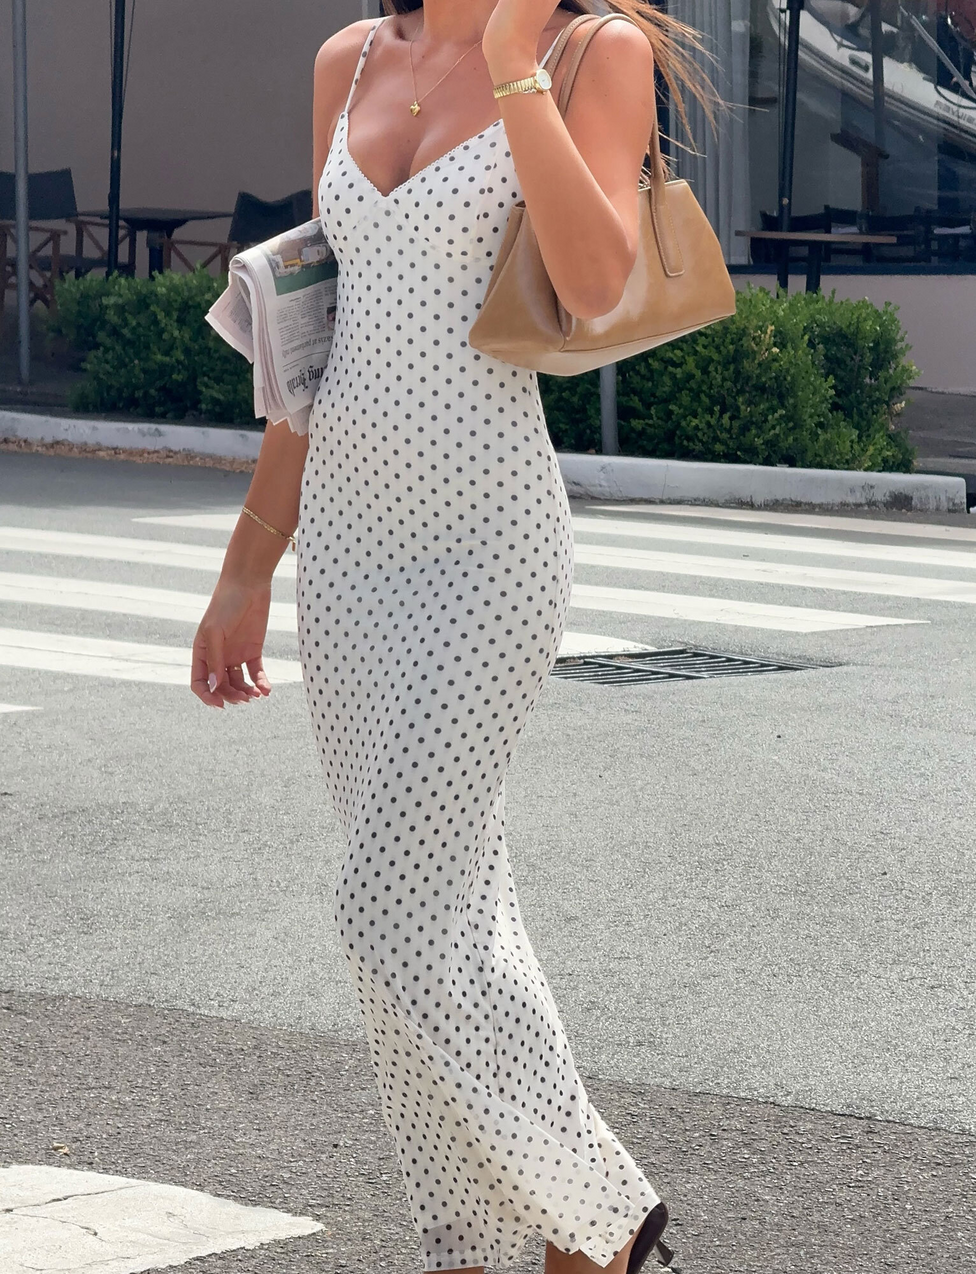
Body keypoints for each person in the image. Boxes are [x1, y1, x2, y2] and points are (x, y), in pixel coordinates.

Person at [191, 1, 713, 1269]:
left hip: (490, 544)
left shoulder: (596, 53)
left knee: (387, 902)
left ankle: (600, 1220)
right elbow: (307, 332)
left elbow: (592, 296)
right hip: (350, 555)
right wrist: (250, 557)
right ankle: (465, 1242)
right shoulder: (349, 57)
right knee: (447, 905)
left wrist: (507, 67)